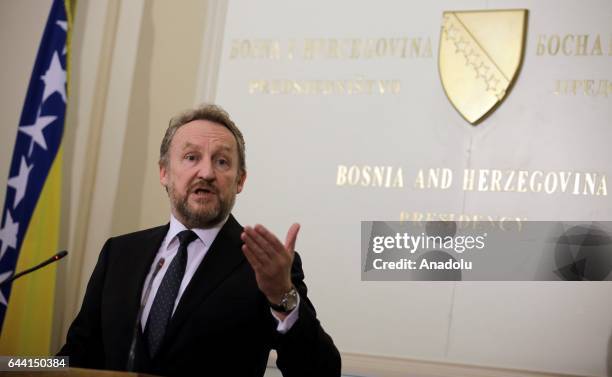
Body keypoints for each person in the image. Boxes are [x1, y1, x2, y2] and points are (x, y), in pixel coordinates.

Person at [59, 104, 341, 376]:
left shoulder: (265, 267)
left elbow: (323, 372)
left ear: (240, 180)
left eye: (221, 161)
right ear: (164, 172)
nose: (206, 173)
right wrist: (18, 363)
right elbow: (76, 355)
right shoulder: (120, 254)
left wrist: (282, 298)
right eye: (191, 157)